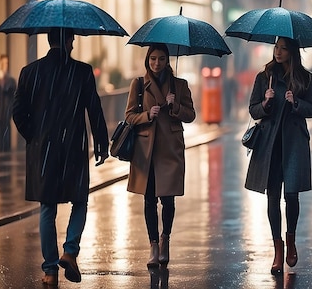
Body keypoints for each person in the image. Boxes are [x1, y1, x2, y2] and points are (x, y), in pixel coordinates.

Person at [12, 28, 109, 286]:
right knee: (80, 201)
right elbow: (95, 110)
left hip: (43, 150)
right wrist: (101, 142)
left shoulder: (30, 72)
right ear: (67, 41)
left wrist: (34, 136)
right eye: (73, 40)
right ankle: (70, 251)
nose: (74, 44)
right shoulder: (82, 72)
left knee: (47, 207)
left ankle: (50, 269)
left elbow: (18, 111)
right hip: (74, 149)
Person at [245, 37, 312, 275]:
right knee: (273, 196)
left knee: (292, 195)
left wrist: (294, 101)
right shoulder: (264, 77)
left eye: (283, 49)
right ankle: (278, 248)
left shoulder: (305, 79)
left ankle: (291, 240)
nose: (277, 52)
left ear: (292, 52)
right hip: (270, 143)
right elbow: (253, 108)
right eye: (276, 48)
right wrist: (265, 102)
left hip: (294, 142)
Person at [124, 43, 196, 269]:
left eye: (161, 59)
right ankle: (153, 245)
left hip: (170, 149)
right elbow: (129, 117)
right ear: (148, 60)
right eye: (153, 58)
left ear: (167, 61)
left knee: (168, 199)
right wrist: (147, 114)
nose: (157, 63)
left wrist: (175, 107)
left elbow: (191, 115)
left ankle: (166, 239)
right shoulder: (137, 84)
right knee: (149, 199)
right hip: (147, 150)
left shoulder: (180, 85)